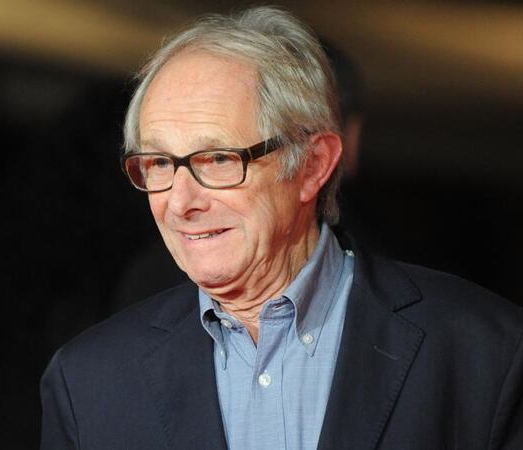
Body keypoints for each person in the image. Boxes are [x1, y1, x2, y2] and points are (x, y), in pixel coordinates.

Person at [40, 6, 523, 450]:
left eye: (218, 159)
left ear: (313, 165)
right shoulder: (88, 382)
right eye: (159, 163)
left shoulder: (485, 353)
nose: (180, 203)